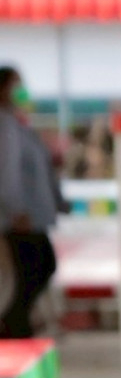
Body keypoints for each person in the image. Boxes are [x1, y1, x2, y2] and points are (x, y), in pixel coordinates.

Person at [0, 66, 59, 339]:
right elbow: (6, 171)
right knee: (35, 269)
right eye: (16, 84)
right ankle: (14, 327)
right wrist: (15, 210)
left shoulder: (16, 123)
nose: (21, 90)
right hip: (20, 218)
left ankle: (17, 325)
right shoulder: (5, 125)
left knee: (39, 268)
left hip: (30, 216)